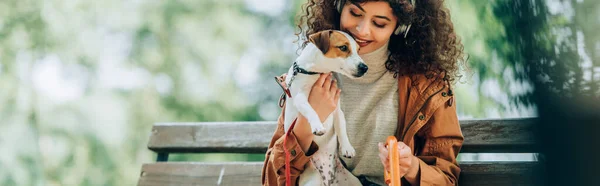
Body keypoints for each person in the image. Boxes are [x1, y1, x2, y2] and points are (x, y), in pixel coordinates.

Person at [262, 0, 466, 185]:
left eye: (379, 23)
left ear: (401, 27)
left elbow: (446, 179)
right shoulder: (310, 74)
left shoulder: (428, 86)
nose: (362, 30)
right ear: (340, 7)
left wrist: (411, 167)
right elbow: (272, 180)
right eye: (355, 13)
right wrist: (305, 126)